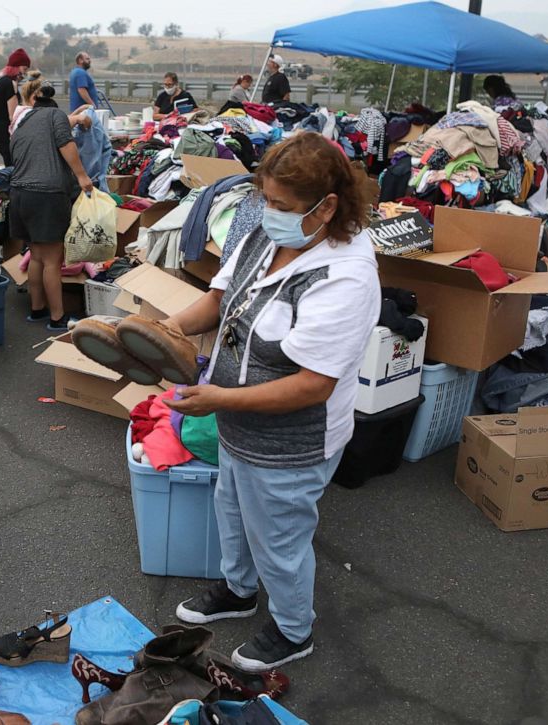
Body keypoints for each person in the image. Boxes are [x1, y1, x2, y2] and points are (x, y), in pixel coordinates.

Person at [164, 132, 380, 673]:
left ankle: (292, 628)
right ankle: (238, 590)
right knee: (233, 513)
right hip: (239, 422)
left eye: (282, 205)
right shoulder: (268, 234)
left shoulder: (346, 275)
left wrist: (219, 396)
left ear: (327, 207)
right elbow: (218, 298)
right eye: (265, 198)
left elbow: (313, 385)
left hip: (292, 441)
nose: (268, 212)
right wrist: (163, 330)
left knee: (280, 538)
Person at [9, 83, 94, 332]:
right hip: (45, 195)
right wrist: (81, 176)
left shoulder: (25, 121)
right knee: (52, 260)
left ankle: (37, 309)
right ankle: (58, 317)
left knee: (36, 254)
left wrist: (78, 119)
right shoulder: (55, 117)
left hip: (19, 195)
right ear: (54, 108)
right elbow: (65, 142)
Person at [0, 48, 31, 166]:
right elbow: (14, 116)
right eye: (25, 69)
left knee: (9, 165)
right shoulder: (9, 83)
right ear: (16, 66)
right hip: (5, 132)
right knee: (13, 167)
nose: (25, 73)